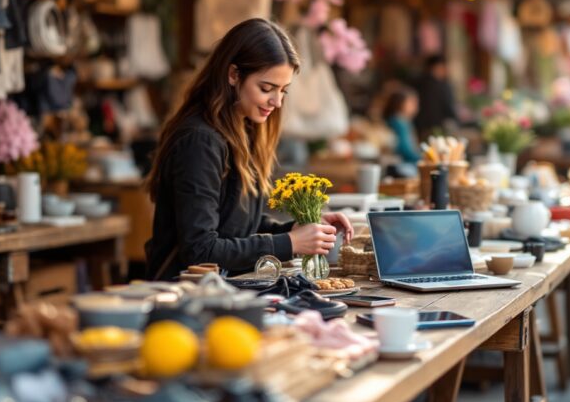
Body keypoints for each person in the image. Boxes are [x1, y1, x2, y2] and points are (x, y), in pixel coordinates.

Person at [144, 18, 353, 280]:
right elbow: (200, 250)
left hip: (225, 291)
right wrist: (290, 243)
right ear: (233, 75)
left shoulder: (244, 129)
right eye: (266, 88)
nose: (276, 102)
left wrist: (300, 229)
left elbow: (237, 227)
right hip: (186, 300)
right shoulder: (200, 142)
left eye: (283, 91)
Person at [414, 55, 457, 140]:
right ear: (439, 67)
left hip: (418, 127)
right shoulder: (443, 86)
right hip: (437, 127)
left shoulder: (416, 82)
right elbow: (448, 107)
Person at [383, 86, 422, 164]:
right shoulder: (399, 122)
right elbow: (405, 150)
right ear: (400, 103)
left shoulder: (400, 121)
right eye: (412, 102)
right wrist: (423, 158)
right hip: (402, 165)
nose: (416, 106)